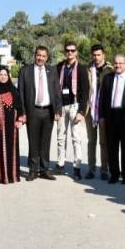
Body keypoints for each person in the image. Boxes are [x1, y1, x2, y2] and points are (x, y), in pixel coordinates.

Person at [18, 46, 62, 181]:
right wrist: (23, 113)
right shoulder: (25, 71)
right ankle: (33, 170)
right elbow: (20, 93)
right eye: (38, 55)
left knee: (45, 142)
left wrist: (58, 110)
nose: (40, 58)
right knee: (33, 141)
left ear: (47, 57)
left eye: (43, 56)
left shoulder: (52, 70)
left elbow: (57, 91)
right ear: (34, 55)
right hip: (33, 111)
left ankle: (44, 169)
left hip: (48, 111)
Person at [99, 54, 125, 184]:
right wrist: (101, 116)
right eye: (116, 63)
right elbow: (102, 99)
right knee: (111, 147)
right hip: (111, 116)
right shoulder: (107, 79)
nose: (118, 65)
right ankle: (114, 174)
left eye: (121, 63)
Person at [54, 41, 90, 180]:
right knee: (60, 137)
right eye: (67, 50)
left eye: (72, 50)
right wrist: (56, 108)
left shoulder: (81, 69)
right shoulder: (59, 67)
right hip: (62, 106)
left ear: (76, 52)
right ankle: (60, 165)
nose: (70, 52)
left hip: (75, 105)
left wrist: (82, 112)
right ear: (65, 51)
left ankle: (77, 167)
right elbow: (54, 88)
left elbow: (86, 91)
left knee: (76, 138)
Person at [0, 66, 25, 184]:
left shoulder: (13, 90)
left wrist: (19, 120)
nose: (3, 77)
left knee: (11, 150)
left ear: (8, 76)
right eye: (1, 75)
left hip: (12, 128)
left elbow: (19, 106)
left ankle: (11, 175)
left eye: (5, 75)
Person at [85, 44, 113, 180]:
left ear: (104, 55)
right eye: (94, 55)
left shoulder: (111, 70)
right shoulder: (87, 70)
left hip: (104, 111)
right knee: (91, 141)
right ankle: (91, 169)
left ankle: (104, 169)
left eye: (98, 55)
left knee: (104, 142)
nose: (96, 57)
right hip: (90, 110)